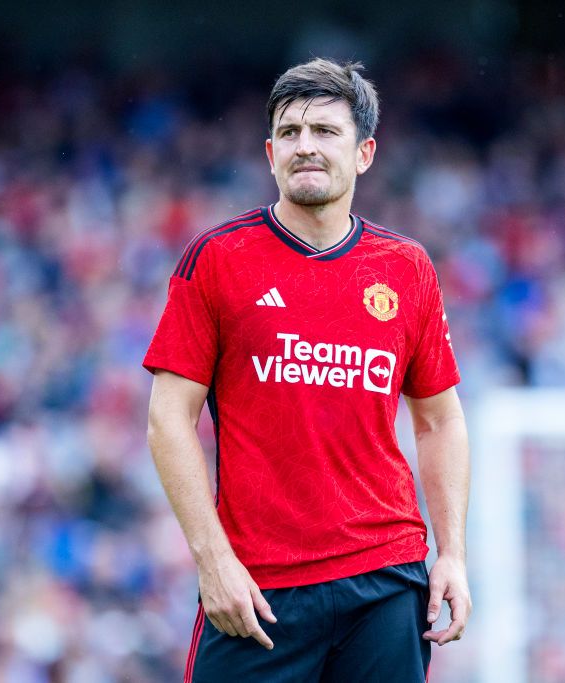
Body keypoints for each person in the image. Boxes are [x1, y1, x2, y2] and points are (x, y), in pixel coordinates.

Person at [143, 58, 471, 682]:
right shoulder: (217, 259)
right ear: (270, 154)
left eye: (325, 132)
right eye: (289, 133)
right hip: (259, 592)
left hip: (385, 578)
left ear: (365, 153)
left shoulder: (406, 267)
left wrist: (452, 553)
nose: (306, 147)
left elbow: (440, 421)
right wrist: (213, 562)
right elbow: (167, 422)